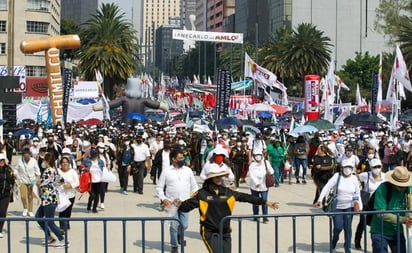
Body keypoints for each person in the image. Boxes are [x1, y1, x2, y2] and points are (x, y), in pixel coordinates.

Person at [176, 165, 280, 253]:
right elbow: (186, 207)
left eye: (220, 176)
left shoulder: (228, 192)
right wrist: (178, 204)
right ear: (209, 178)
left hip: (225, 231)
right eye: (216, 176)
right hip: (209, 231)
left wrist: (266, 202)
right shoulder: (201, 194)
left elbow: (246, 197)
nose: (219, 178)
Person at [314, 159, 362, 253]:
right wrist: (320, 199)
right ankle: (334, 240)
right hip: (338, 207)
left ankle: (347, 247)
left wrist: (359, 205)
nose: (348, 169)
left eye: (350, 167)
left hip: (349, 206)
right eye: (346, 167)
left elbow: (357, 192)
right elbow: (327, 187)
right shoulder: (337, 176)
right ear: (342, 168)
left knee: (348, 227)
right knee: (338, 227)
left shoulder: (354, 178)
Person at [156, 149, 199, 253]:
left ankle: (180, 235)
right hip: (172, 203)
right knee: (174, 226)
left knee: (184, 225)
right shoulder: (166, 171)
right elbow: (159, 188)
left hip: (185, 202)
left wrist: (195, 198)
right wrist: (164, 199)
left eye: (182, 158)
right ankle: (174, 246)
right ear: (173, 159)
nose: (182, 160)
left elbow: (194, 186)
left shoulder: (187, 171)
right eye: (179, 158)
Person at [370, 166, 412, 253]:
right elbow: (380, 213)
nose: (402, 188)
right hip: (379, 230)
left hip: (397, 231)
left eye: (404, 186)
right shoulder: (383, 188)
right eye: (400, 186)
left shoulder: (409, 189)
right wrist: (402, 219)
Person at [35, 153, 68, 248]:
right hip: (47, 199)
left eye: (44, 160)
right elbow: (61, 181)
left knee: (50, 221)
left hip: (49, 199)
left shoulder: (49, 171)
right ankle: (50, 237)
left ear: (47, 161)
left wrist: (49, 188)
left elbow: (43, 184)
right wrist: (54, 187)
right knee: (38, 217)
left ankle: (62, 239)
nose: (43, 162)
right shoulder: (55, 171)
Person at [354, 158, 385, 250]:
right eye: (374, 167)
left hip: (379, 204)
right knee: (362, 223)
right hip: (367, 203)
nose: (377, 169)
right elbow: (355, 177)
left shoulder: (384, 177)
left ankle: (375, 244)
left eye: (378, 166)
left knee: (376, 225)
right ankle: (357, 241)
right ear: (371, 168)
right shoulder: (366, 175)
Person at [248, 150, 274, 223]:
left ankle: (265, 217)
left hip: (264, 186)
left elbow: (272, 171)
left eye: (259, 155)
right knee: (255, 201)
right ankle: (256, 216)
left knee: (264, 201)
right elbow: (252, 175)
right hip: (254, 186)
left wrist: (269, 171)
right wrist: (256, 182)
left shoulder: (266, 163)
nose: (258, 156)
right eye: (256, 155)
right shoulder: (252, 165)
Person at [14, 148, 41, 217]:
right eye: (25, 157)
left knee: (30, 196)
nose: (26, 158)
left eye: (28, 156)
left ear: (30, 155)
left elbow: (37, 171)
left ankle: (30, 210)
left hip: (32, 181)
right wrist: (16, 175)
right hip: (22, 181)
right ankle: (25, 208)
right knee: (23, 196)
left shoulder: (34, 161)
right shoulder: (19, 161)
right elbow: (16, 169)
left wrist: (37, 180)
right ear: (23, 156)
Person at [57, 156, 79, 233]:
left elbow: (77, 182)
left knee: (68, 211)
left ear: (69, 163)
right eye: (63, 162)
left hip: (71, 194)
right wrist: (61, 185)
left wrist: (70, 186)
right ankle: (62, 227)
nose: (65, 164)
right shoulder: (58, 171)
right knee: (62, 210)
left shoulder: (73, 172)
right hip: (61, 195)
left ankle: (67, 222)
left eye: (66, 162)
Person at [83, 148, 104, 213]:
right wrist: (85, 169)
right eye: (93, 154)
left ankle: (94, 208)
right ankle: (89, 205)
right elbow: (81, 168)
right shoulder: (86, 161)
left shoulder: (100, 161)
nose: (94, 156)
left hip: (98, 181)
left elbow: (104, 170)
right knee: (92, 195)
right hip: (90, 181)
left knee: (97, 195)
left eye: (95, 154)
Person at [0, 152, 15, 238]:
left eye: (2, 160)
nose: (1, 162)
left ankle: (0, 229)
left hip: (6, 194)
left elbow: (12, 181)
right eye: (0, 160)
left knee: (2, 211)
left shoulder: (9, 170)